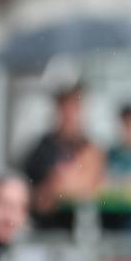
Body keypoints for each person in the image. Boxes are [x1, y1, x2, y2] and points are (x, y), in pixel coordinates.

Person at [21, 83, 105, 229]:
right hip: (47, 229)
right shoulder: (42, 149)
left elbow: (96, 185)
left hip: (86, 229)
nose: (72, 115)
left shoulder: (91, 147)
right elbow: (39, 198)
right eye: (67, 108)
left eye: (76, 108)